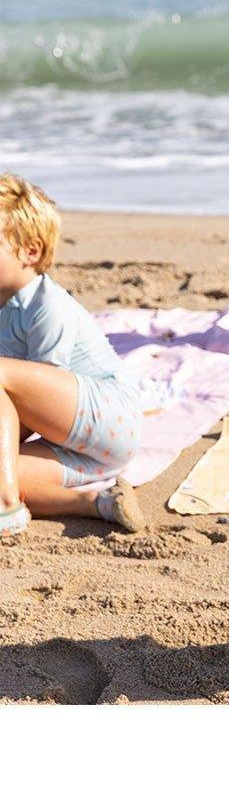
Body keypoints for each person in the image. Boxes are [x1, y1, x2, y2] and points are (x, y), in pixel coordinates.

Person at [0, 173, 146, 538]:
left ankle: (5, 506)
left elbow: (38, 402)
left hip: (108, 415)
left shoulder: (47, 305)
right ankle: (98, 504)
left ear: (29, 251)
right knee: (4, 468)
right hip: (84, 451)